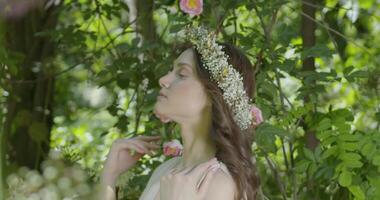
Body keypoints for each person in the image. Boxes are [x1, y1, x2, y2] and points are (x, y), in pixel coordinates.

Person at [99, 25, 261, 200]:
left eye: (182, 74)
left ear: (213, 94)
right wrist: (109, 176)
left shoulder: (219, 183)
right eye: (171, 71)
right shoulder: (167, 170)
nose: (163, 80)